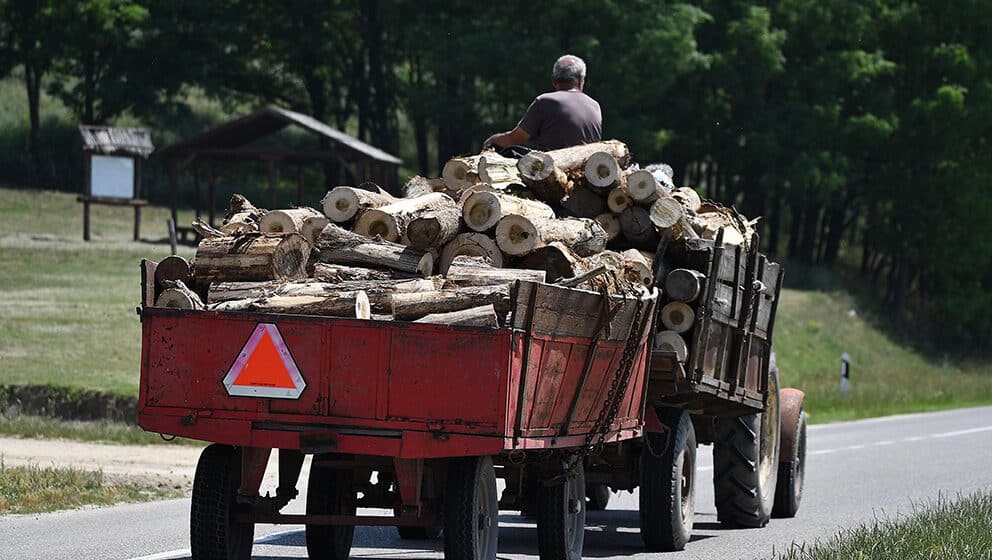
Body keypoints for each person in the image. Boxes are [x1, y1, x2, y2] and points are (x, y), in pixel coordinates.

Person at [483, 54, 602, 152]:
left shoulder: (545, 102)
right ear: (581, 80)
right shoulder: (595, 105)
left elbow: (516, 138)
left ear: (554, 81)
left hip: (552, 174)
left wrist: (493, 140)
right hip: (589, 174)